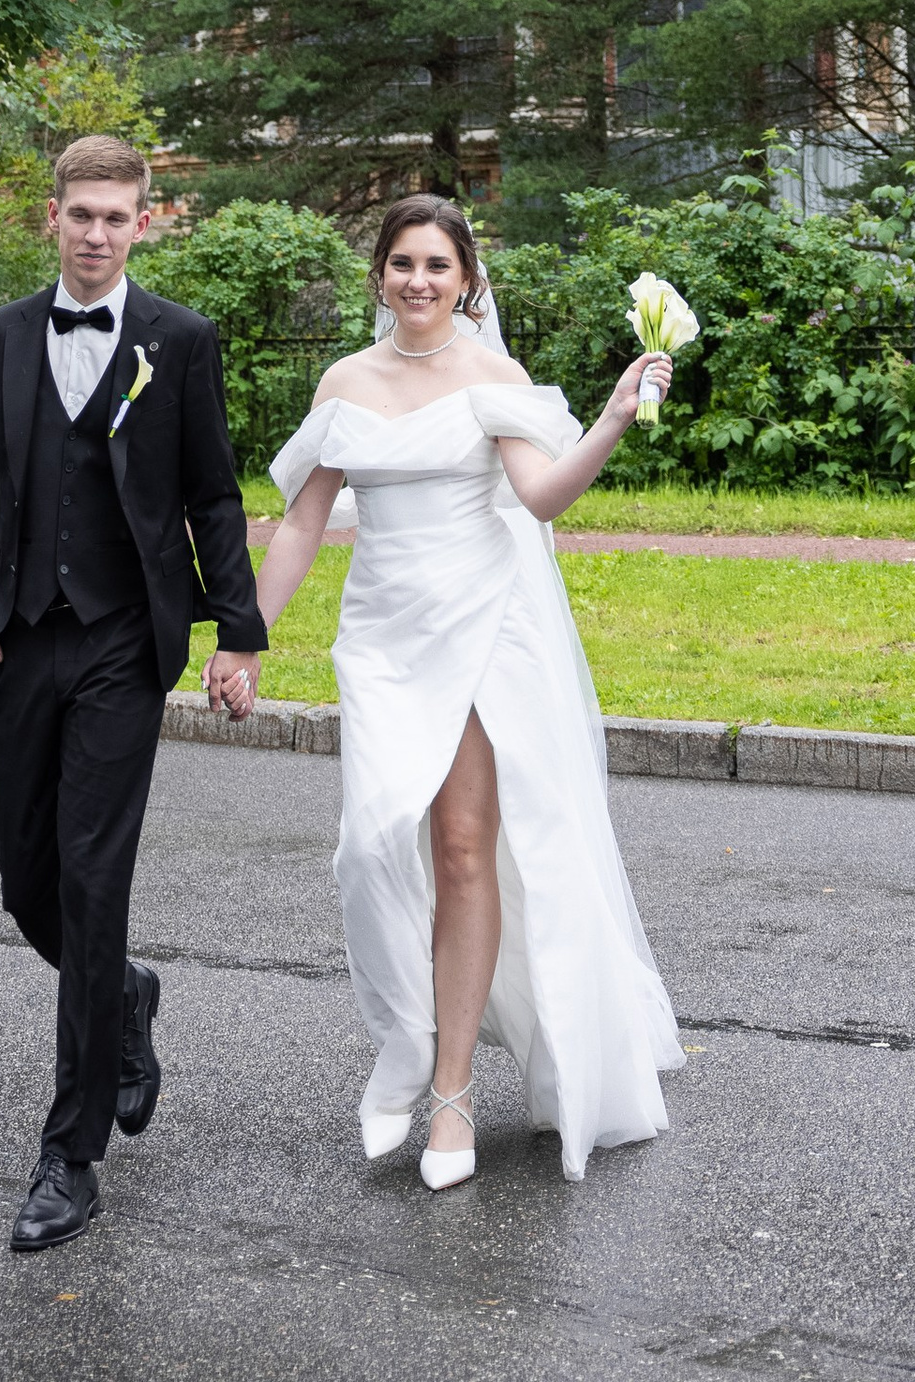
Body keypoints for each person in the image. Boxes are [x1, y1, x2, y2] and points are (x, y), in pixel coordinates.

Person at [237, 193, 684, 1189]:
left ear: (466, 279)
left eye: (437, 265)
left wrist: (613, 415)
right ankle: (405, 1039)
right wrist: (245, 637)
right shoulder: (345, 382)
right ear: (379, 276)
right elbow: (304, 522)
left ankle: (450, 1094)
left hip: (480, 627)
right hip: (384, 640)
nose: (418, 280)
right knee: (367, 849)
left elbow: (541, 495)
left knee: (461, 850)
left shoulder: (493, 377)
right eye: (402, 263)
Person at [0, 134, 268, 1256]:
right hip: (21, 638)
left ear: (144, 221)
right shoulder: (0, 334)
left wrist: (238, 631)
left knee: (91, 881)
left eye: (115, 216)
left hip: (126, 642)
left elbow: (212, 493)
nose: (96, 233)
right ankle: (123, 992)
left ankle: (69, 1154)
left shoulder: (180, 341)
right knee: (26, 885)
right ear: (52, 217)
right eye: (80, 213)